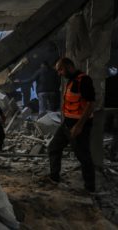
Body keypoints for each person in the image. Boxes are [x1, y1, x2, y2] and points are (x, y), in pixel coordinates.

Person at [46, 57, 95, 192]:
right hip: (67, 124)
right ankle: (54, 177)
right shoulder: (71, 81)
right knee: (53, 148)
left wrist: (79, 126)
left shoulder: (83, 80)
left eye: (60, 69)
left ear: (69, 66)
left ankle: (90, 188)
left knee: (83, 156)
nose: (59, 73)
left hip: (80, 126)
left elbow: (91, 104)